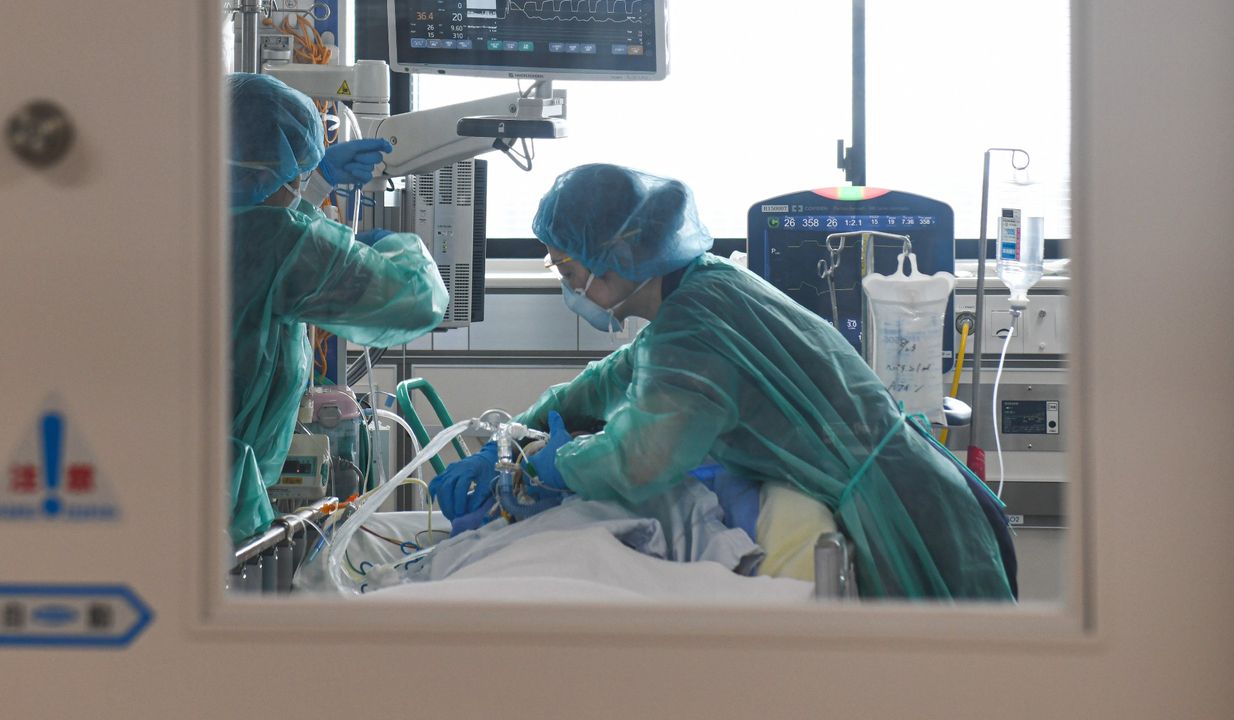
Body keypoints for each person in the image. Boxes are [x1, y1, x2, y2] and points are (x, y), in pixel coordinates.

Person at [432, 163, 1014, 600]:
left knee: (948, 686)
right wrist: (518, 431)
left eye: (566, 267)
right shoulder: (700, 292)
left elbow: (638, 460)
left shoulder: (695, 332)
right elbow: (613, 378)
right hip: (907, 488)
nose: (566, 283)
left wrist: (544, 466)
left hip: (902, 515)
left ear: (616, 258)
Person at [227, 73, 449, 544]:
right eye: (297, 171)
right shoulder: (278, 246)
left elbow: (264, 227)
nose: (300, 181)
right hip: (218, 505)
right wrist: (395, 245)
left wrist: (317, 184)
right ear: (275, 169)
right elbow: (414, 300)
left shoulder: (171, 217)